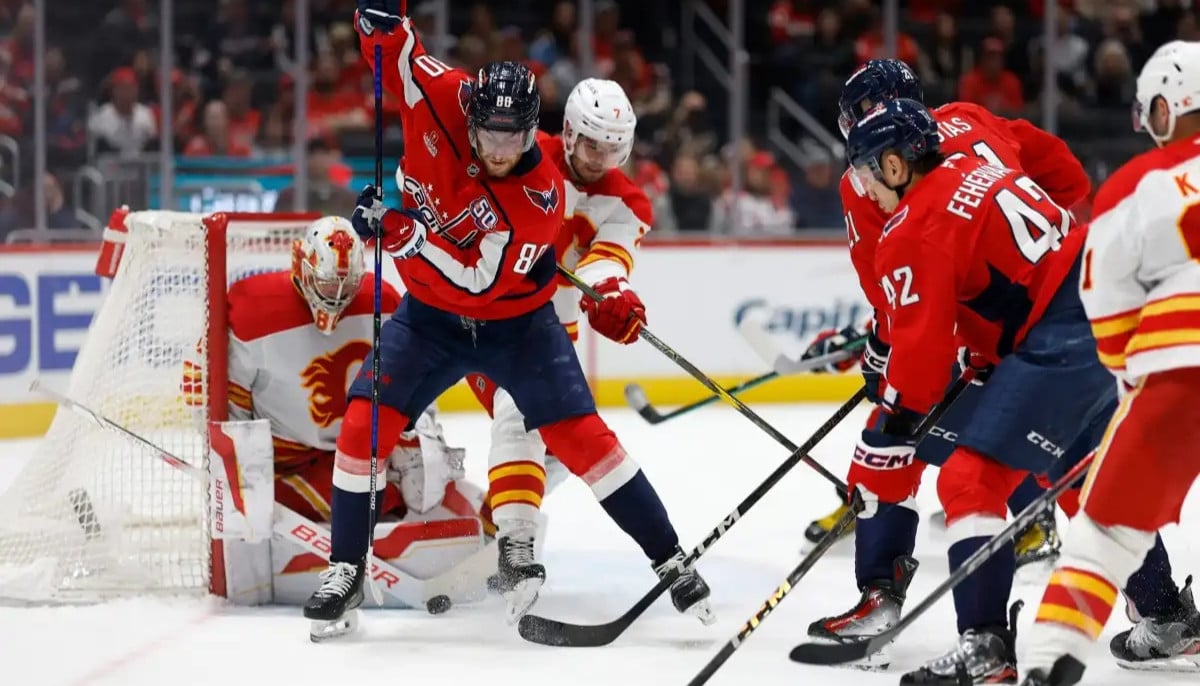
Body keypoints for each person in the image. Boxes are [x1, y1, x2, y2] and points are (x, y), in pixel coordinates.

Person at [302, 2, 712, 640]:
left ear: (533, 132)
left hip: (518, 325)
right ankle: (346, 568)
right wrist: (382, 30)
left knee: (583, 442)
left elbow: (478, 282)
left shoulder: (539, 194)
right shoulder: (448, 96)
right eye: (489, 135)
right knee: (363, 425)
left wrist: (406, 237)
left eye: (513, 138)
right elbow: (402, 60)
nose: (500, 151)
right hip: (428, 320)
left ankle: (668, 558)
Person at [804, 59, 1092, 669]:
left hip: (1029, 342)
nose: (859, 178)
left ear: (888, 155)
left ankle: (902, 605)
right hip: (1089, 304)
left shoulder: (899, 211)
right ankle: (1165, 613)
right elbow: (1066, 178)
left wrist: (892, 400)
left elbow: (910, 328)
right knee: (1085, 477)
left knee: (908, 449)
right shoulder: (968, 123)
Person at [1021, 40, 1200, 686]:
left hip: (1182, 368)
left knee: (1104, 532)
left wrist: (1132, 375)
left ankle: (1048, 661)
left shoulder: (1136, 184)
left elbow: (1105, 298)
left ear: (1169, 104)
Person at [467, 77, 655, 620]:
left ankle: (491, 516)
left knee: (564, 451)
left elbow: (605, 262)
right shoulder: (525, 151)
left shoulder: (629, 200)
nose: (602, 158)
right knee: (521, 418)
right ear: (569, 132)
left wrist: (613, 295)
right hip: (490, 317)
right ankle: (515, 546)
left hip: (554, 333)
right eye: (593, 143)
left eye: (614, 147)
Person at [181, 217, 474, 527]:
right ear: (301, 264)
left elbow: (416, 372)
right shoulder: (253, 311)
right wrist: (234, 459)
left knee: (425, 475)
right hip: (283, 459)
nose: (337, 293)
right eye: (328, 281)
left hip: (355, 449)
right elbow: (207, 388)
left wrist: (419, 429)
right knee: (248, 511)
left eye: (347, 283)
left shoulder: (382, 302)